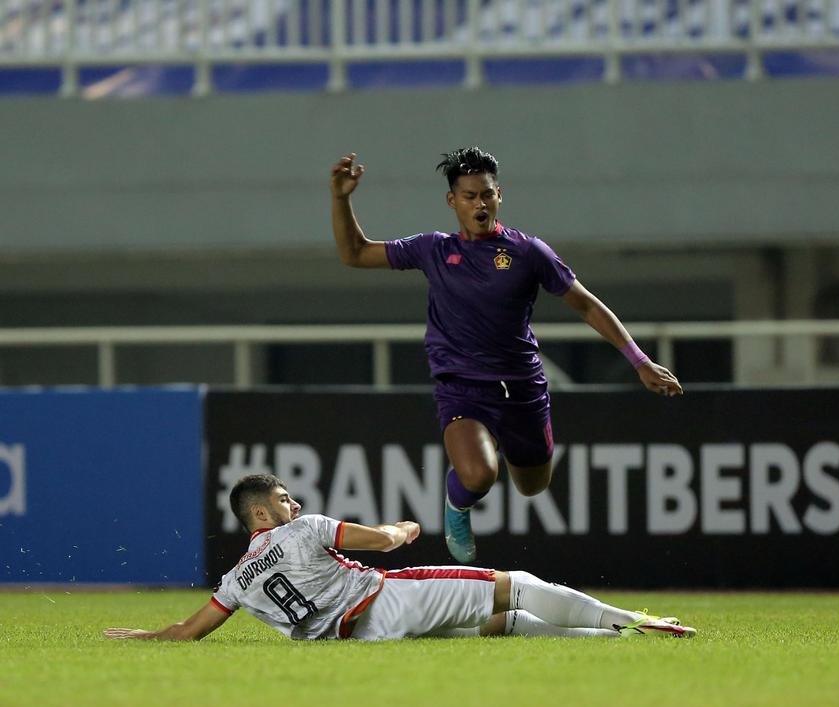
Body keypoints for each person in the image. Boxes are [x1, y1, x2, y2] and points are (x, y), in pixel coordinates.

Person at [329, 147, 683, 564]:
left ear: (499, 195)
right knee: (479, 474)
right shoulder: (432, 250)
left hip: (522, 389)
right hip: (461, 388)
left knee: (533, 486)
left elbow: (586, 304)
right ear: (452, 201)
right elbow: (355, 253)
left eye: (487, 195)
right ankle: (457, 504)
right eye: (470, 196)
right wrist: (341, 198)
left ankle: (487, 464)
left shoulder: (528, 252)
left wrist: (640, 361)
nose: (480, 204)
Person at [104, 475, 695, 642]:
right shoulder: (304, 529)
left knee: (498, 623)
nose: (294, 503)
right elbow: (383, 542)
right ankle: (637, 621)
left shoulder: (236, 579)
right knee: (514, 583)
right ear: (260, 513)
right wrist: (406, 527)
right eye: (283, 498)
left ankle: (612, 637)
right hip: (386, 598)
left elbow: (189, 631)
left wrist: (145, 637)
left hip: (355, 638)